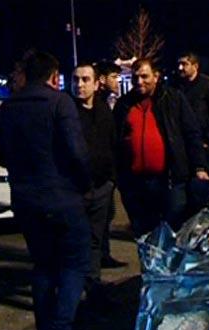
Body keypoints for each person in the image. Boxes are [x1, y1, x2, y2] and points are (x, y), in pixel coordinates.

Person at [0, 50, 91, 330]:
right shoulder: (60, 103)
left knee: (43, 266)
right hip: (62, 197)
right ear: (53, 76)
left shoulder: (8, 108)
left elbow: (1, 157)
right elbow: (77, 152)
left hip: (26, 200)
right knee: (74, 264)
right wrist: (84, 184)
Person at [114, 58, 209, 237]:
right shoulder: (124, 105)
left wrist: (199, 167)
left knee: (173, 233)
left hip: (170, 181)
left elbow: (191, 133)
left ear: (156, 76)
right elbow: (115, 141)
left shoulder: (173, 99)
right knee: (145, 236)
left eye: (144, 76)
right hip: (136, 184)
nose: (139, 81)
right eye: (135, 77)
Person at [71, 62, 117, 300]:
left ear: (97, 83)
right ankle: (71, 289)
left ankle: (93, 284)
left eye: (85, 79)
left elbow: (112, 143)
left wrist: (111, 179)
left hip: (101, 187)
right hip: (75, 189)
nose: (79, 84)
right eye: (76, 79)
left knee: (95, 239)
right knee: (75, 240)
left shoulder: (103, 110)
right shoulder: (67, 112)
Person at [95, 60, 127, 268]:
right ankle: (99, 256)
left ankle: (103, 254)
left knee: (107, 214)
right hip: (101, 172)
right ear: (102, 79)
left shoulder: (106, 102)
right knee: (101, 216)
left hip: (109, 171)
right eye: (114, 77)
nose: (117, 81)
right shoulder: (97, 104)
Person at [176, 52, 209, 175]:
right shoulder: (175, 86)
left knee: (200, 181)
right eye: (179, 64)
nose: (180, 68)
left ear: (195, 66)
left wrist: (208, 138)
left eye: (184, 64)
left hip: (201, 146)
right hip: (179, 146)